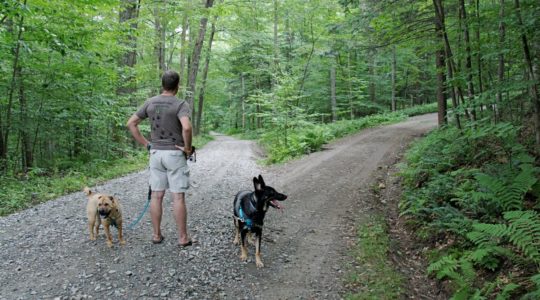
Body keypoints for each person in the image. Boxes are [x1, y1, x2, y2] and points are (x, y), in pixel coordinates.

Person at [126, 70, 195, 247]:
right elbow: (186, 128)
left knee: (156, 196)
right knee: (177, 197)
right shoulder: (180, 104)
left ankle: (156, 235)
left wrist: (146, 144)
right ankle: (182, 238)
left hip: (155, 153)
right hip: (174, 153)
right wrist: (187, 149)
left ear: (162, 84)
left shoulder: (150, 102)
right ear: (177, 86)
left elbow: (131, 123)